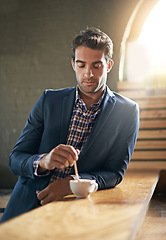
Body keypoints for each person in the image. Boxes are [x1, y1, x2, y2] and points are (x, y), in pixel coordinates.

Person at [1, 27, 139, 223]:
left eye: (96, 66)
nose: (88, 74)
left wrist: (72, 183)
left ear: (109, 65)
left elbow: (115, 173)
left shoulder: (128, 111)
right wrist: (43, 161)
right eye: (81, 65)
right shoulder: (49, 100)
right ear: (73, 64)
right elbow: (15, 159)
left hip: (79, 208)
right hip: (27, 206)